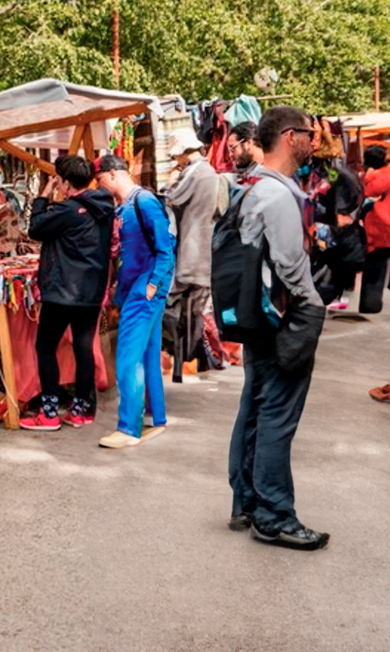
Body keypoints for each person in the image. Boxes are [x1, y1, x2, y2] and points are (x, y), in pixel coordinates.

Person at [226, 106, 328, 550]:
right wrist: (312, 303)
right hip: (283, 317)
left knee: (256, 408)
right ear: (290, 136)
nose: (315, 141)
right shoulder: (277, 195)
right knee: (276, 417)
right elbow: (289, 264)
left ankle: (247, 502)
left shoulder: (246, 186)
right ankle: (274, 516)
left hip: (255, 316)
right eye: (310, 133)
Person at [19, 155, 115, 430]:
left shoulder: (69, 210)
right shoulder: (103, 206)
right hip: (91, 291)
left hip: (63, 292)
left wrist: (44, 195)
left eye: (58, 180)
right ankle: (80, 410)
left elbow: (35, 228)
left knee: (45, 347)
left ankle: (49, 413)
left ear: (65, 182)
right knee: (84, 349)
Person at [92, 154, 177, 448]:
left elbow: (166, 247)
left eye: (100, 178)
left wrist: (153, 285)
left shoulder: (143, 201)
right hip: (138, 291)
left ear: (113, 174)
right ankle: (158, 418)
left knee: (128, 358)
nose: (99, 184)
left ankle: (129, 428)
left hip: (145, 292)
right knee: (147, 353)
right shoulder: (127, 206)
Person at [163, 130, 221, 379]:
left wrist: (168, 181)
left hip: (192, 249)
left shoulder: (195, 172)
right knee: (193, 311)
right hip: (200, 249)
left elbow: (172, 197)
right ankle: (196, 362)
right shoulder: (208, 172)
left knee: (179, 310)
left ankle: (185, 362)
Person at [358, 146, 390, 313]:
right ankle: (371, 303)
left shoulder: (385, 174)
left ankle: (370, 304)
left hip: (382, 227)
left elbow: (370, 190)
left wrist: (368, 176)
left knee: (375, 266)